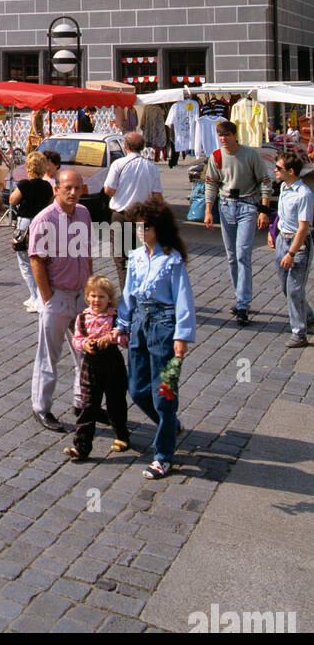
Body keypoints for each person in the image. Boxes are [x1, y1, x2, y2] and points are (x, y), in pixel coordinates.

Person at [115, 202, 196, 480]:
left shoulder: (171, 259)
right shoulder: (136, 256)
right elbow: (128, 293)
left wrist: (181, 335)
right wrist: (121, 324)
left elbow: (183, 297)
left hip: (163, 324)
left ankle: (163, 455)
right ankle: (170, 424)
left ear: (157, 228)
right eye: (136, 225)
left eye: (145, 226)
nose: (139, 231)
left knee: (164, 393)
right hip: (139, 322)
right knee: (137, 389)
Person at [28, 168, 93, 433]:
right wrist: (48, 299)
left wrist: (91, 289)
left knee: (86, 355)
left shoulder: (84, 214)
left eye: (77, 188)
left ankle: (81, 402)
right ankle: (41, 407)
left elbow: (87, 253)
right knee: (49, 357)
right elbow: (36, 262)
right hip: (58, 295)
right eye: (68, 188)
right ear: (56, 189)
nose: (74, 193)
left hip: (81, 296)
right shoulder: (44, 220)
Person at [204, 119, 274, 327]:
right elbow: (211, 184)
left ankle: (243, 304)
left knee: (243, 253)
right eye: (220, 136)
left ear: (235, 135)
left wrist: (263, 210)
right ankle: (239, 296)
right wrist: (209, 210)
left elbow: (265, 181)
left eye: (227, 135)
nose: (224, 139)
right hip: (226, 207)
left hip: (248, 205)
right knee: (232, 256)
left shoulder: (250, 154)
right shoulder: (216, 156)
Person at [64, 276, 130, 462]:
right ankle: (82, 447)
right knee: (88, 406)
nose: (96, 301)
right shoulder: (82, 317)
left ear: (109, 299)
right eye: (92, 296)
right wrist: (85, 345)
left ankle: (122, 436)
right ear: (87, 297)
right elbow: (76, 339)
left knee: (116, 403)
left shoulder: (116, 318)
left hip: (112, 363)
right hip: (90, 365)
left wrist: (112, 338)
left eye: (101, 297)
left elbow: (126, 341)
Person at [103, 130, 165, 292]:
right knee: (142, 257)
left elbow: (109, 189)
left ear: (125, 146)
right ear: (143, 147)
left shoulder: (119, 164)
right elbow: (157, 195)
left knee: (121, 260)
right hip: (143, 217)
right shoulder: (151, 167)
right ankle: (142, 290)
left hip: (121, 216)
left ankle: (127, 293)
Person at [268, 151, 314, 349]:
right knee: (286, 288)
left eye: (278, 168)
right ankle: (309, 315)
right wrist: (273, 232)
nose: (275, 171)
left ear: (291, 171)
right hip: (282, 240)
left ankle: (299, 332)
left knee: (294, 289)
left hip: (298, 245)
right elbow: (281, 215)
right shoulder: (284, 188)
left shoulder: (304, 194)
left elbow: (303, 228)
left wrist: (292, 253)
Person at [8, 151, 53, 313]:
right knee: (40, 259)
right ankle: (37, 296)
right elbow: (50, 204)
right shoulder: (48, 186)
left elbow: (12, 200)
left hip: (25, 223)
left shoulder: (24, 184)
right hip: (41, 223)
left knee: (25, 262)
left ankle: (35, 297)